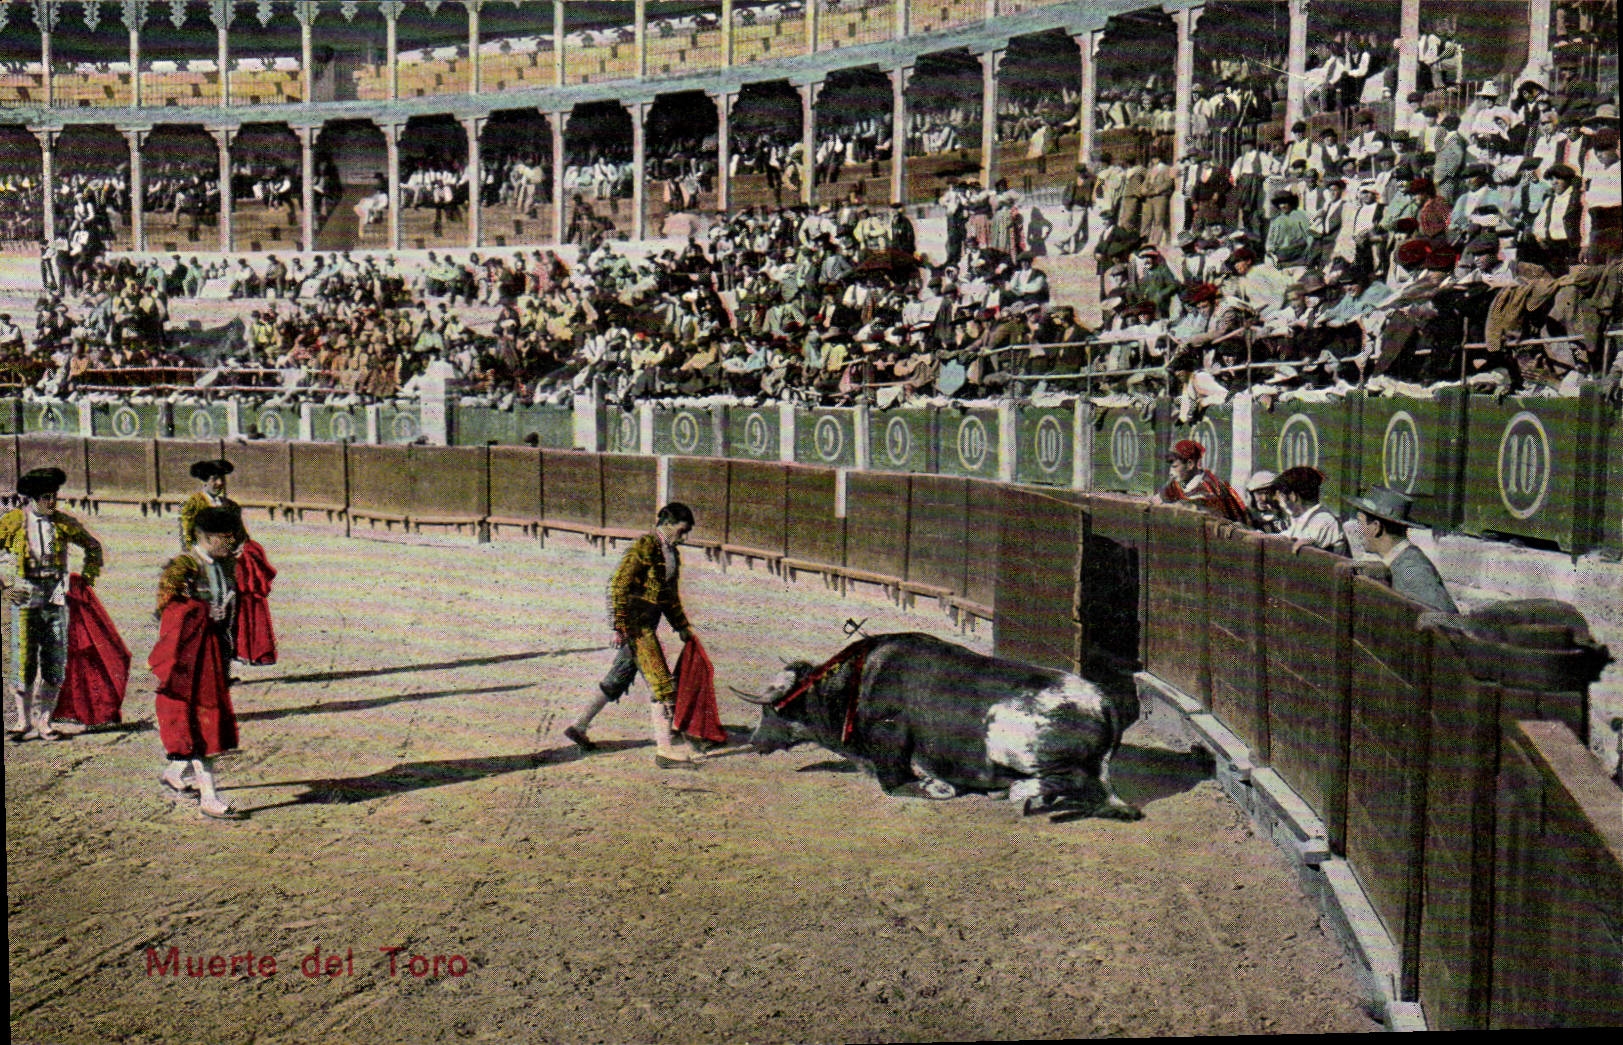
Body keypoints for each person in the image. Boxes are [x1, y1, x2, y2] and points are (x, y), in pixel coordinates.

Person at [567, 503, 703, 768]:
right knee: (663, 684)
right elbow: (618, 585)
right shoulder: (644, 547)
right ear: (668, 524)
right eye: (682, 531)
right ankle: (665, 750)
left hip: (645, 625)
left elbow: (669, 598)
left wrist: (682, 626)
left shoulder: (671, 553)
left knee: (618, 678)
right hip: (637, 627)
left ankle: (578, 726)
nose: (684, 538)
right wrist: (618, 627)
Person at [149, 506, 246, 820]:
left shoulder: (223, 564)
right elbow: (169, 612)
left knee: (197, 717)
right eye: (226, 537)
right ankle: (209, 797)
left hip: (214, 650)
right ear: (206, 537)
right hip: (190, 656)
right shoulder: (184, 566)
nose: (231, 542)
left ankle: (175, 773)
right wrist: (203, 614)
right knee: (202, 719)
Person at [1, 467, 105, 742]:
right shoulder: (12, 521)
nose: (52, 502)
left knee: (54, 657)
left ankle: (44, 720)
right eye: (46, 497)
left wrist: (87, 578)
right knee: (23, 656)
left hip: (56, 592)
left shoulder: (62, 523)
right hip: (26, 590)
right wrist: (6, 587)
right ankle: (23, 721)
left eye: (54, 496)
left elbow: (93, 547)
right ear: (31, 499)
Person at [1346, 486, 1458, 614]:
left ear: (1376, 527)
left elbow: (1449, 623)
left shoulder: (1411, 570)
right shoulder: (1398, 562)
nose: (1357, 530)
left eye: (1360, 522)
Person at [1150, 439, 1248, 523]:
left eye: (1175, 466)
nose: (1171, 473)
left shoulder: (1212, 488)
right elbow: (1156, 500)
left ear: (1190, 464)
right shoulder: (1175, 483)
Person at [1269, 466, 1350, 556]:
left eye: (1281, 496)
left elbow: (1305, 542)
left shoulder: (1322, 520)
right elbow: (1287, 536)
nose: (1279, 502)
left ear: (1292, 496)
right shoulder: (1302, 518)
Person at [180, 459, 249, 550]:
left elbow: (241, 535)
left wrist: (240, 548)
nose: (220, 483)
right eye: (215, 479)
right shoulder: (193, 504)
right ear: (204, 481)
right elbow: (187, 535)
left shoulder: (231, 506)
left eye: (222, 478)